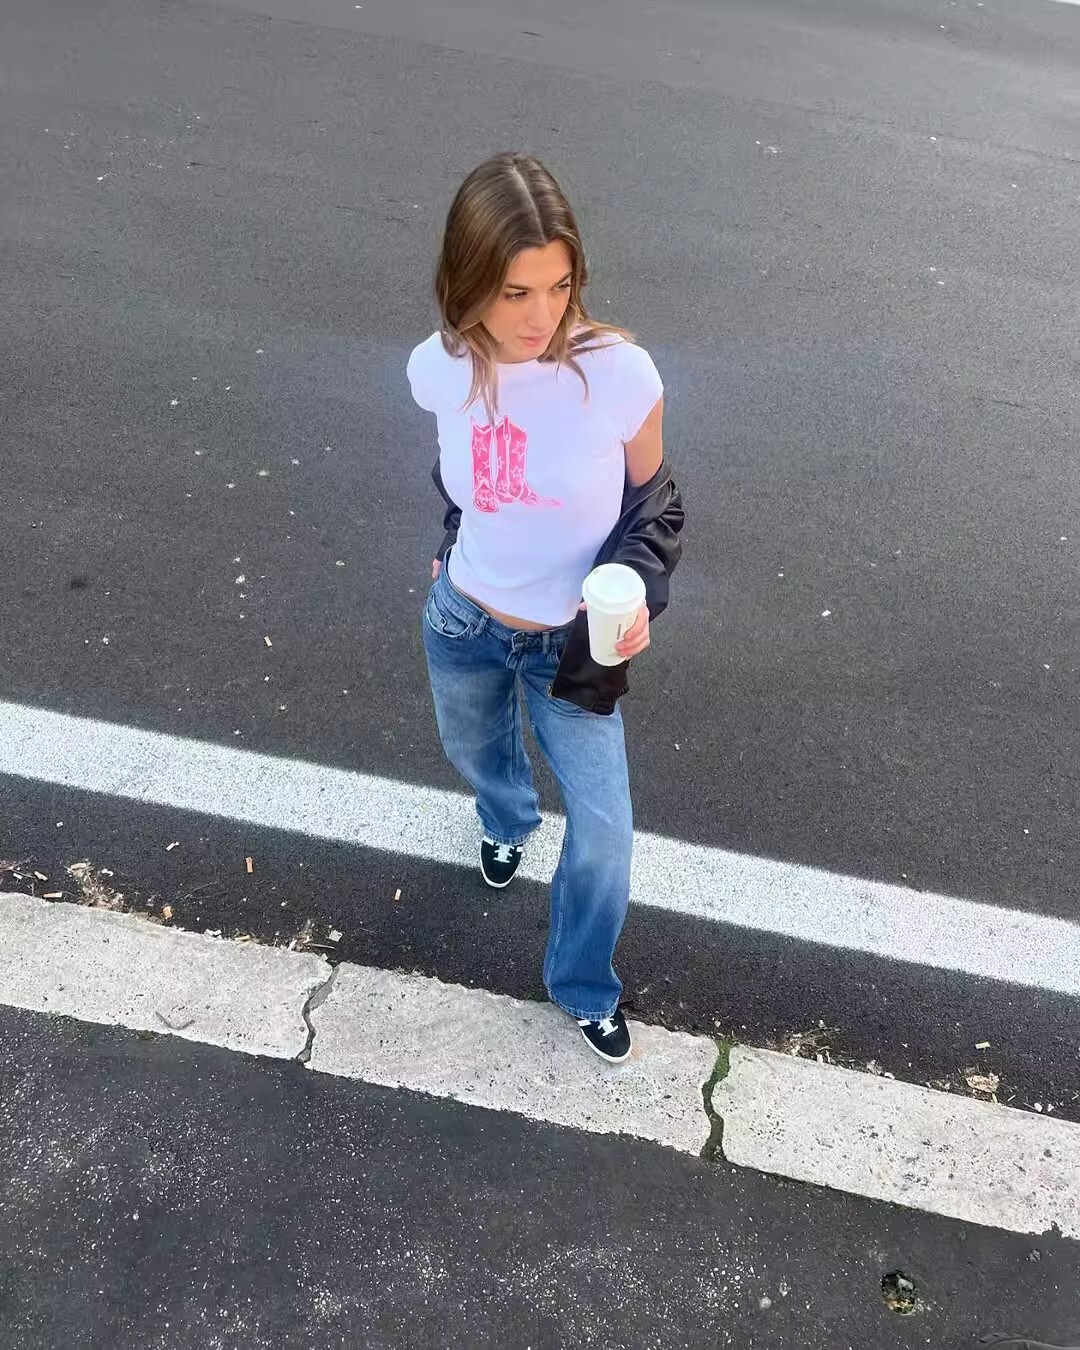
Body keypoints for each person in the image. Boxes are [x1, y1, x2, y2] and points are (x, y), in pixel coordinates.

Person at [406, 152, 684, 1063]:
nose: (540, 316)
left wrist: (635, 590)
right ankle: (505, 819)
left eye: (559, 287)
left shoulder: (618, 374)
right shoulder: (441, 370)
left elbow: (654, 505)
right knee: (476, 755)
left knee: (605, 836)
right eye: (515, 292)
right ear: (469, 283)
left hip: (572, 647)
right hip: (465, 622)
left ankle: (582, 984)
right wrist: (457, 531)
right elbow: (469, 475)